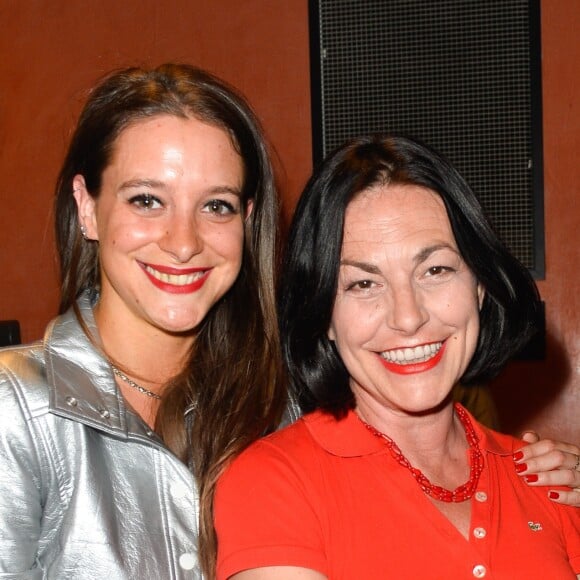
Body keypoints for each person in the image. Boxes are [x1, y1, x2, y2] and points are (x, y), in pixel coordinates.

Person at [214, 134, 580, 579]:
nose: (407, 318)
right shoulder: (276, 482)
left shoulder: (548, 481)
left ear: (480, 285)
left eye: (435, 270)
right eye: (363, 284)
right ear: (324, 313)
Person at [0, 63, 298, 579]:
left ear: (247, 223)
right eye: (146, 200)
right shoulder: (17, 411)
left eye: (216, 206)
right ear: (87, 207)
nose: (183, 242)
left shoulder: (284, 408)